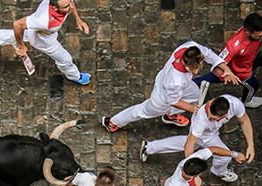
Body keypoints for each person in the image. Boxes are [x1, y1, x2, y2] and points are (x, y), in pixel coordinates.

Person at [102, 41, 238, 131]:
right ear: (185, 63)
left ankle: (170, 116)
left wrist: (226, 69)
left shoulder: (191, 46)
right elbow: (173, 101)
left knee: (195, 94)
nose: (196, 72)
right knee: (141, 111)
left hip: (180, 87)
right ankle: (113, 122)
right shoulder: (175, 80)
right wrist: (193, 109)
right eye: (193, 70)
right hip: (162, 98)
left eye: (198, 67)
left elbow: (208, 54)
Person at [0, 0, 92, 85]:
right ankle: (75, 76)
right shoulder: (43, 21)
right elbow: (18, 24)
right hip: (45, 41)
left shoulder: (63, 3)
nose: (70, 7)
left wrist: (78, 20)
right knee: (65, 59)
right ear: (55, 8)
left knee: (8, 35)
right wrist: (21, 46)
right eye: (66, 7)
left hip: (36, 30)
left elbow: (71, 4)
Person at [140, 94, 254, 182]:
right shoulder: (202, 120)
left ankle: (149, 147)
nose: (209, 117)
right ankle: (219, 171)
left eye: (213, 118)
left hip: (211, 131)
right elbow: (189, 146)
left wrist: (251, 145)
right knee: (224, 157)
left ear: (225, 115)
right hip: (205, 134)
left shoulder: (235, 103)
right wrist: (192, 172)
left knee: (187, 141)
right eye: (209, 114)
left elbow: (244, 121)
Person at [193, 13, 262, 108]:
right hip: (239, 72)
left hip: (249, 60)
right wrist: (227, 75)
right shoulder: (233, 46)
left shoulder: (255, 33)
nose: (260, 37)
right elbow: (217, 63)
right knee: (254, 85)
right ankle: (246, 101)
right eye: (257, 36)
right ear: (247, 32)